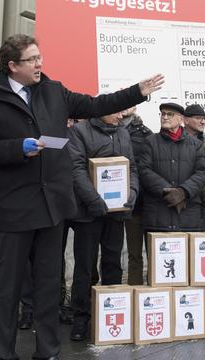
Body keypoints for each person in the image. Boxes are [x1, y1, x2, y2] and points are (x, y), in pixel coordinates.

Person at [0, 34, 163, 360]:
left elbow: (96, 105)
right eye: (31, 59)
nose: (39, 63)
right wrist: (17, 147)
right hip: (16, 206)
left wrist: (137, 92)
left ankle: (48, 351)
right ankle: (4, 352)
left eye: (39, 57)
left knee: (48, 284)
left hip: (53, 205)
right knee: (11, 287)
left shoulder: (54, 91)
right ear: (12, 66)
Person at [68, 109, 139, 341]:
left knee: (113, 264)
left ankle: (110, 314)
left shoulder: (122, 133)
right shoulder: (79, 131)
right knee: (84, 268)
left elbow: (132, 169)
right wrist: (94, 200)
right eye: (116, 112)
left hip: (117, 214)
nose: (121, 117)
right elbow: (76, 169)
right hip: (88, 213)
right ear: (102, 111)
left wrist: (133, 192)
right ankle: (81, 318)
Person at [139, 103, 205, 234]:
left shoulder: (196, 145)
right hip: (158, 216)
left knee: (189, 255)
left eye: (170, 114)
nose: (165, 117)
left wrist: (183, 192)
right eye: (163, 114)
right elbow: (144, 171)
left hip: (188, 216)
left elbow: (202, 173)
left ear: (181, 119)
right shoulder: (150, 141)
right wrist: (168, 191)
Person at [122, 107, 152, 286]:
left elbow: (147, 168)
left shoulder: (146, 134)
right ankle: (135, 292)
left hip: (145, 202)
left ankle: (154, 295)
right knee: (133, 254)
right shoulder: (110, 130)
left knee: (152, 252)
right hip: (122, 203)